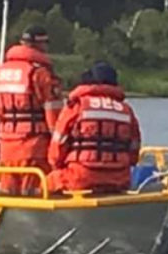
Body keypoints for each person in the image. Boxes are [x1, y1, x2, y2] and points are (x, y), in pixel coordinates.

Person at [47, 61, 141, 195]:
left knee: (45, 183)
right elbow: (134, 149)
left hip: (81, 176)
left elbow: (57, 146)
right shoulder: (126, 110)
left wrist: (56, 166)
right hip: (119, 179)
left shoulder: (77, 105)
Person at [0, 26, 64, 196]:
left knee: (7, 192)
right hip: (33, 145)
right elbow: (53, 115)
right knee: (34, 192)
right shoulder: (40, 73)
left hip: (7, 145)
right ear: (39, 44)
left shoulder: (2, 70)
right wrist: (59, 146)